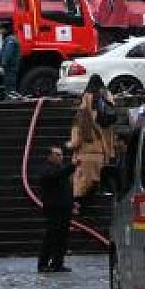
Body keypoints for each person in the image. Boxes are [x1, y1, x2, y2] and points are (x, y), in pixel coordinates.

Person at [70, 75, 114, 202]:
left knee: (82, 185)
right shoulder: (106, 94)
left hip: (86, 153)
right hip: (102, 148)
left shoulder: (85, 102)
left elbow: (76, 141)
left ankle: (78, 206)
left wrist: (70, 149)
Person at [34, 144, 76, 273]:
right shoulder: (46, 169)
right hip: (54, 209)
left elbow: (65, 188)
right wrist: (72, 166)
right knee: (51, 236)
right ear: (49, 156)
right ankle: (43, 263)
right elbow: (55, 176)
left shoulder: (60, 169)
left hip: (64, 208)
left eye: (61, 154)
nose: (60, 157)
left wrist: (72, 202)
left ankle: (58, 263)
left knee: (62, 238)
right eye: (57, 154)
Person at [0, 19, 21, 99]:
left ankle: (11, 105)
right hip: (11, 68)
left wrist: (2, 66)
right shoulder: (10, 39)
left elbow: (7, 54)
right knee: (10, 87)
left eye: (1, 29)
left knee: (10, 87)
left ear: (6, 30)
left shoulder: (10, 40)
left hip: (10, 68)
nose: (0, 31)